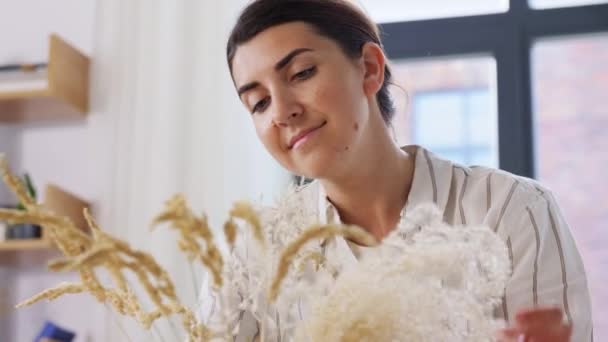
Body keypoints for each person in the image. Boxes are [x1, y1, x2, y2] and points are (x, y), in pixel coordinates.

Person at [198, 0, 593, 340]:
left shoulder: (510, 211)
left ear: (369, 68)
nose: (283, 111)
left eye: (301, 73)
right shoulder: (250, 255)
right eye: (259, 102)